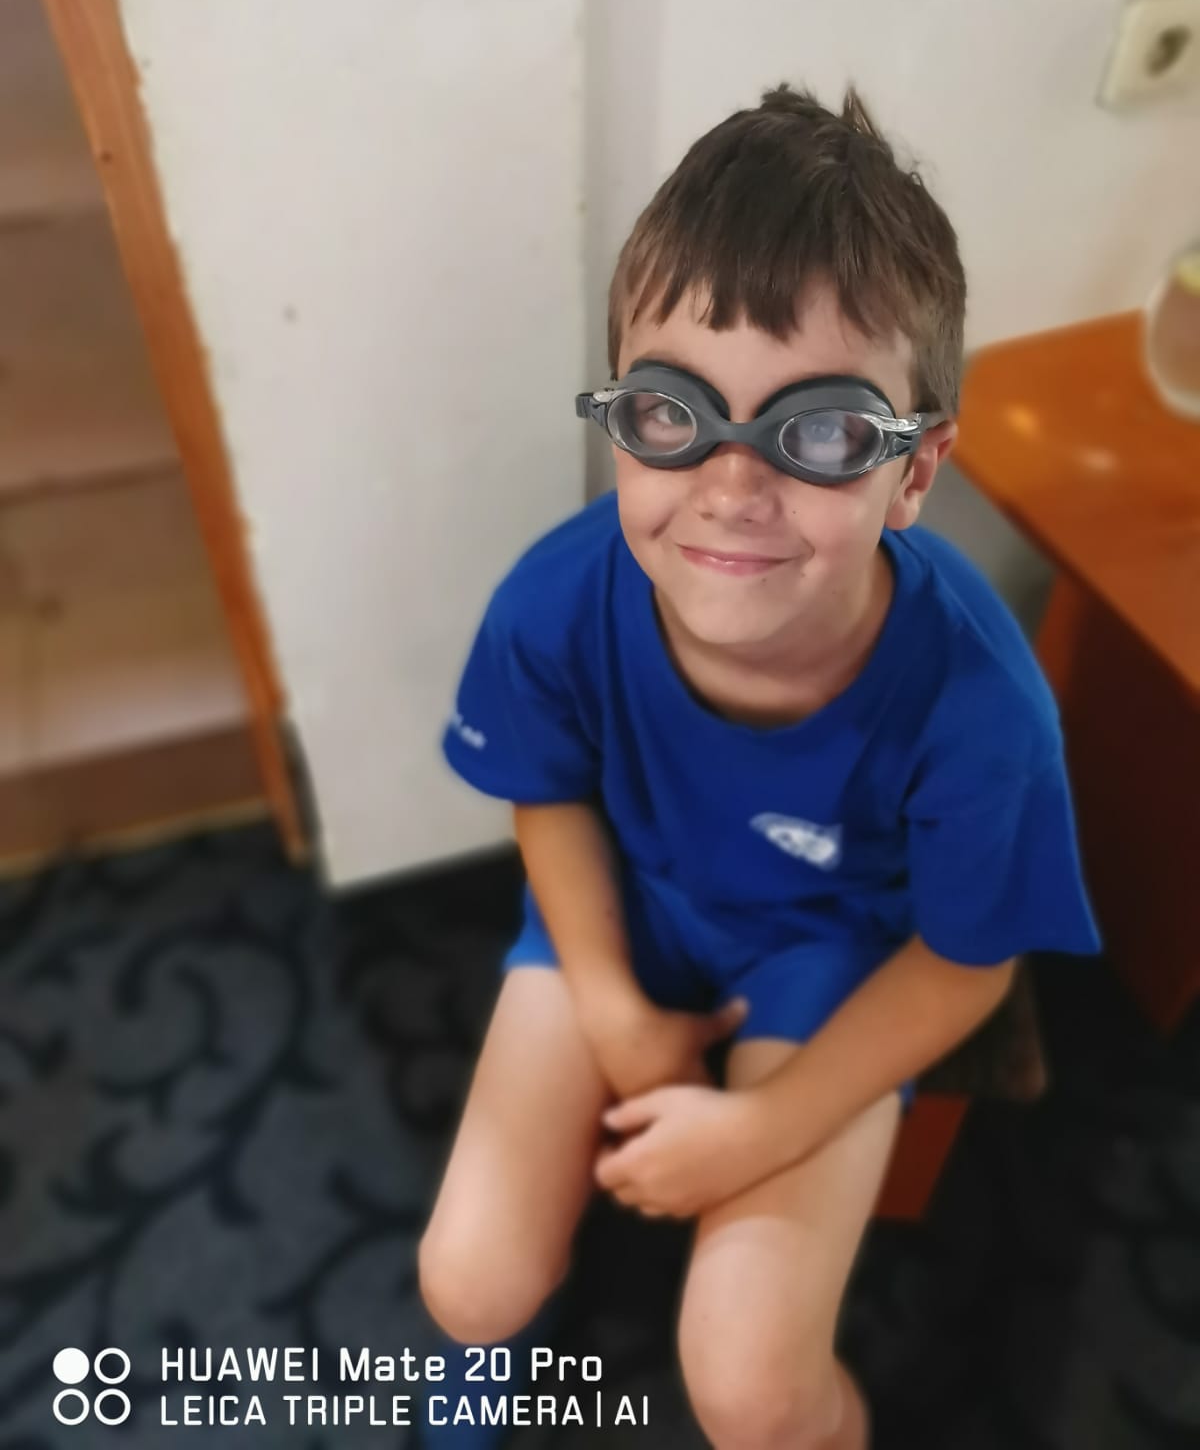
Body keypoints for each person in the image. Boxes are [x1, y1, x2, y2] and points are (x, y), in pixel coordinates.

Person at [419, 83, 1101, 1449]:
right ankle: (493, 1350)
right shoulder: (556, 601)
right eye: (672, 414)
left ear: (915, 473)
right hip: (629, 902)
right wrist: (610, 1004)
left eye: (822, 432)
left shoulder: (983, 711)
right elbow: (546, 793)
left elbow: (967, 965)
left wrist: (759, 1128)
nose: (731, 488)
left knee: (751, 1392)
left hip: (831, 957)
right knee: (468, 1283)